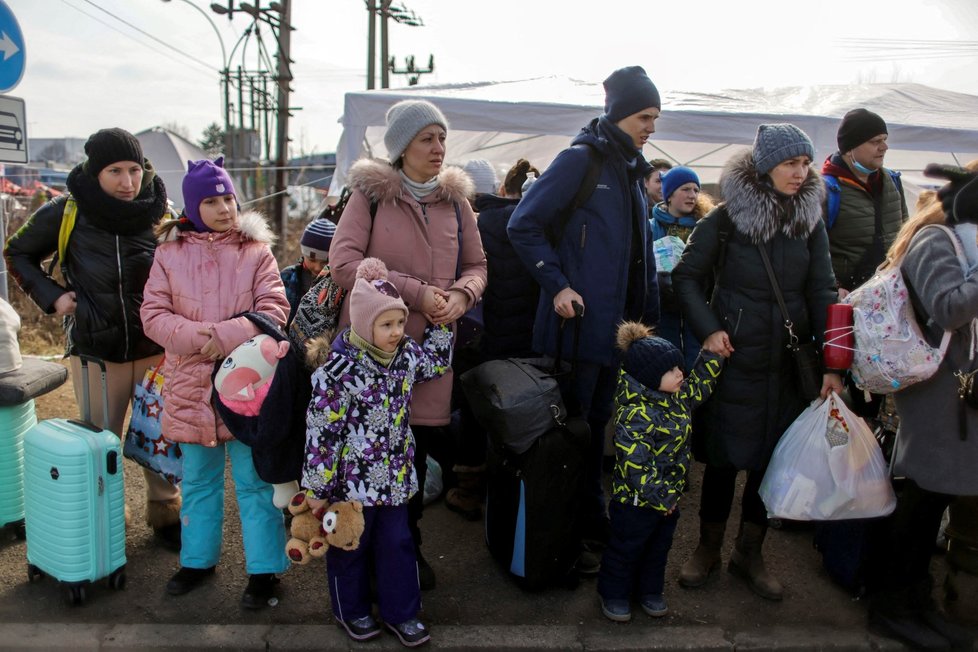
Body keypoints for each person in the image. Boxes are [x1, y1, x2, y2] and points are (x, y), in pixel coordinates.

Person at [672, 124, 842, 601]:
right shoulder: (726, 220)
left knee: (772, 465)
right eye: (791, 163)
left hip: (787, 366)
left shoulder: (810, 222)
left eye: (806, 164)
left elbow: (823, 291)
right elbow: (686, 277)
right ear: (766, 165)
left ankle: (750, 553)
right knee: (724, 462)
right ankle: (706, 549)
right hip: (733, 362)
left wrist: (833, 364)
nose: (800, 172)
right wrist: (710, 328)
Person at [327, 99, 487, 589]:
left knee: (411, 455)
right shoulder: (370, 195)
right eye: (427, 139)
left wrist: (462, 296)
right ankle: (360, 552)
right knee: (365, 455)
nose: (439, 148)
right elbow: (344, 265)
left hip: (432, 354)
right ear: (402, 148)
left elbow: (478, 267)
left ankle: (407, 548)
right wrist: (416, 292)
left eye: (442, 137)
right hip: (374, 355)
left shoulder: (457, 202)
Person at [508, 65, 662, 558]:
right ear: (618, 115)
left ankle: (590, 523)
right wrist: (557, 284)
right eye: (644, 116)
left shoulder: (633, 172)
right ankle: (564, 535)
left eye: (655, 117)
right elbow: (523, 224)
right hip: (577, 331)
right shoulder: (581, 161)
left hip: (618, 334)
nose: (651, 127)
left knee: (597, 432)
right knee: (573, 435)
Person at [4, 127, 182, 548]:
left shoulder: (159, 209)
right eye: (115, 171)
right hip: (95, 351)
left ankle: (166, 513)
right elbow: (16, 252)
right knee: (99, 442)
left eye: (134, 170)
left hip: (154, 348)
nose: (127, 182)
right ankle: (104, 520)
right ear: (94, 171)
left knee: (157, 435)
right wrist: (53, 297)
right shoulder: (68, 210)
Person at [140, 157, 291, 608]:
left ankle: (265, 571)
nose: (224, 207)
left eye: (227, 197)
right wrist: (197, 339)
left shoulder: (256, 250)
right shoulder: (168, 253)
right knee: (200, 481)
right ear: (192, 205)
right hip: (189, 384)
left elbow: (274, 306)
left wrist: (224, 336)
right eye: (211, 200)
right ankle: (197, 561)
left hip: (247, 386)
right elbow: (152, 314)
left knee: (255, 482)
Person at [302, 257, 453, 647]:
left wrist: (440, 324)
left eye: (400, 323)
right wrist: (318, 488)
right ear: (363, 324)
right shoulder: (337, 372)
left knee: (397, 545)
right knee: (349, 548)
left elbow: (435, 364)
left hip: (396, 478)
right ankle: (349, 610)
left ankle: (401, 613)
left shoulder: (405, 356)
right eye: (387, 325)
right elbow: (322, 434)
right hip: (350, 485)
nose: (396, 332)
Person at [861, 166, 978, 650]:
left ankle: (916, 601)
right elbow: (950, 308)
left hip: (960, 393)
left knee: (932, 505)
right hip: (936, 391)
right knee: (920, 501)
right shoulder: (936, 239)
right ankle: (890, 608)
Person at [597, 322, 722, 622]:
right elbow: (636, 465)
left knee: (657, 550)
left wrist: (712, 358)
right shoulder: (634, 413)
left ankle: (649, 591)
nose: (681, 374)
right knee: (625, 550)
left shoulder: (676, 397)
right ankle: (614, 593)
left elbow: (699, 386)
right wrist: (661, 496)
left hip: (668, 501)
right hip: (636, 503)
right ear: (650, 378)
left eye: (680, 368)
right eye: (672, 371)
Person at [440, 158, 542, 522]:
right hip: (526, 340)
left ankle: (468, 489)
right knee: (516, 413)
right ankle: (511, 487)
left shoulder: (467, 224)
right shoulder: (534, 222)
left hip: (478, 337)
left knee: (471, 410)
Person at [821, 108, 908, 423]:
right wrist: (832, 288)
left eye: (885, 140)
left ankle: (871, 449)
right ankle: (841, 454)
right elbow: (812, 251)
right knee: (841, 389)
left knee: (877, 386)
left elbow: (904, 236)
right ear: (850, 147)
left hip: (884, 307)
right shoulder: (825, 190)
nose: (883, 147)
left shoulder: (893, 183)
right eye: (875, 141)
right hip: (843, 309)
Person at [650, 165, 715, 370]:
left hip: (696, 308)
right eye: (685, 189)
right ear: (669, 195)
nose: (692, 195)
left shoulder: (706, 227)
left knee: (697, 365)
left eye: (696, 190)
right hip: (661, 308)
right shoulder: (650, 227)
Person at [281, 217, 337, 328]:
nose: (317, 267)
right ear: (304, 254)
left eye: (325, 262)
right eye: (312, 260)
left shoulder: (336, 285)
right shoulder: (287, 277)